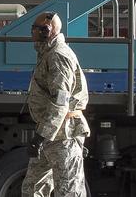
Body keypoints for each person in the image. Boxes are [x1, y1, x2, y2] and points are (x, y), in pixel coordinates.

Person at [22, 11, 89, 197]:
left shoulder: (58, 56)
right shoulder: (48, 53)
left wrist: (40, 136)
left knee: (68, 191)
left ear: (47, 30)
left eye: (35, 29)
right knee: (32, 188)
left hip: (62, 135)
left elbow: (60, 101)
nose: (32, 33)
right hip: (50, 135)